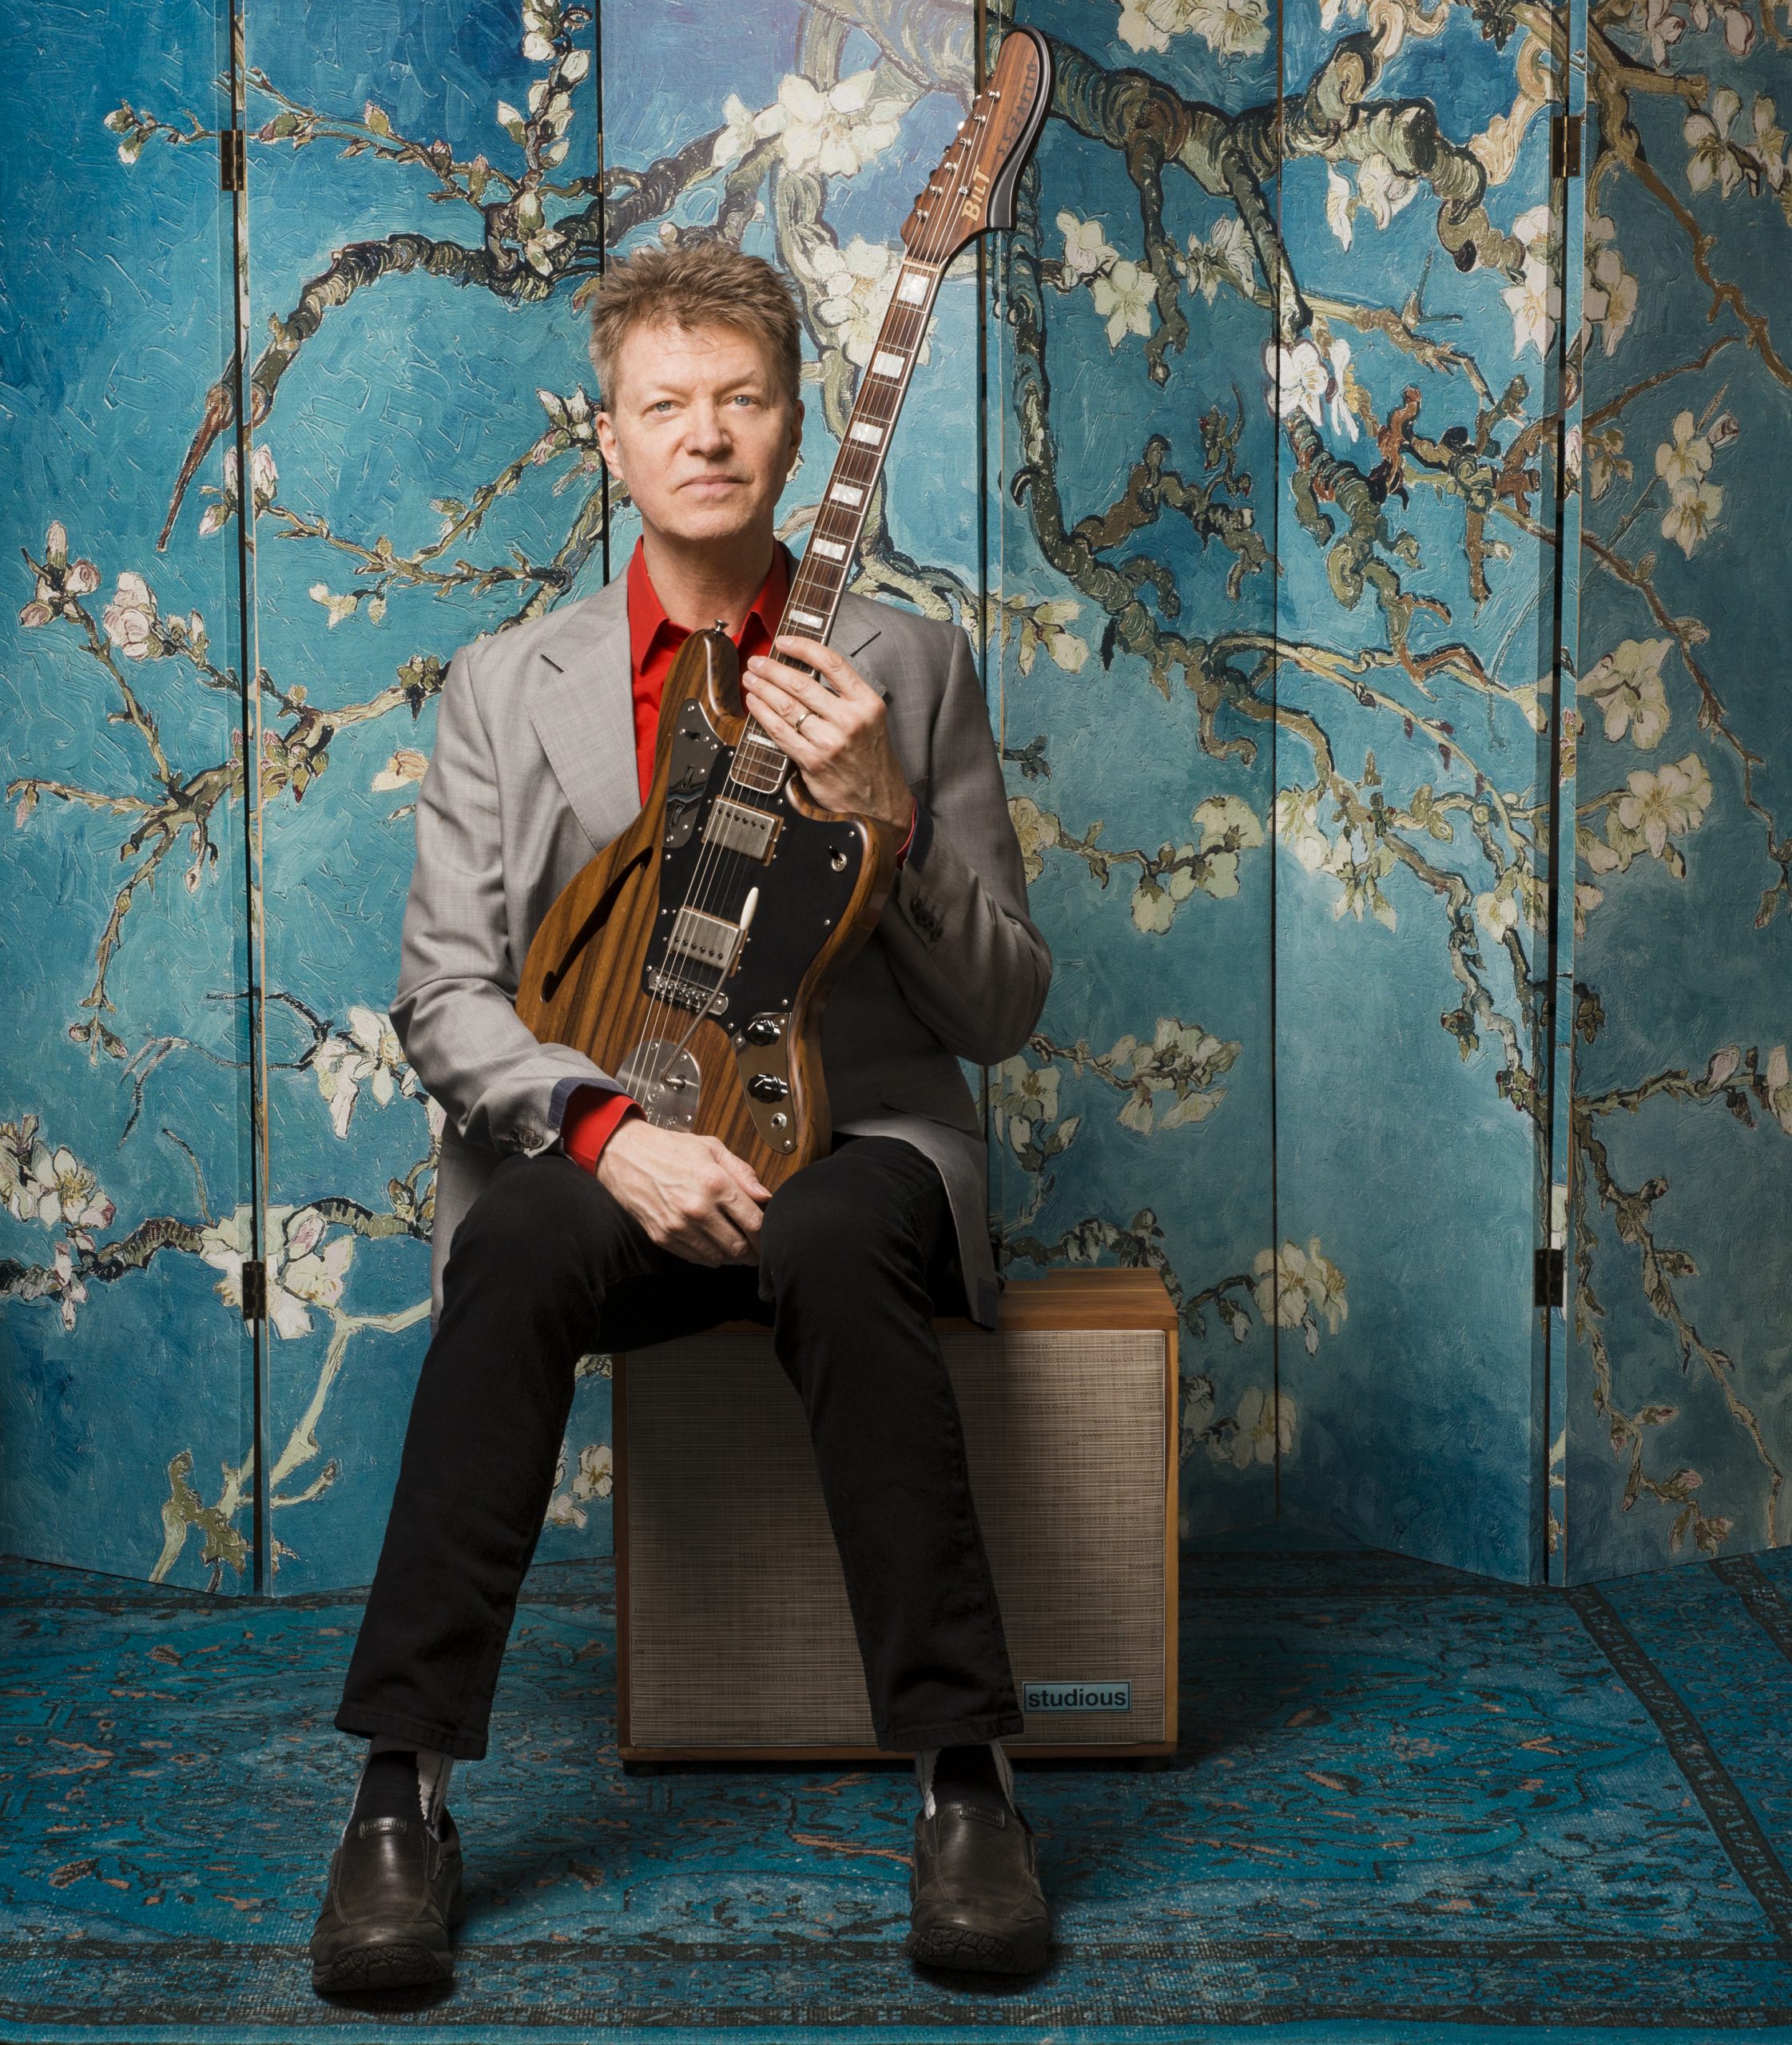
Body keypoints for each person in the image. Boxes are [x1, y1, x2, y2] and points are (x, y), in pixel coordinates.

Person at [308, 241, 1055, 1993]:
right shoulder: (509, 685)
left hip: (852, 1145)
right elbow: (445, 994)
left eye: (740, 400)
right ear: (613, 437)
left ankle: (966, 1780)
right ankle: (400, 1796)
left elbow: (1004, 1009)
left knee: (839, 1239)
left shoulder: (915, 667)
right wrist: (602, 1136)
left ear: (795, 427)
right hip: (612, 1141)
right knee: (514, 1247)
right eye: (665, 405)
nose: (704, 435)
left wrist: (887, 813)